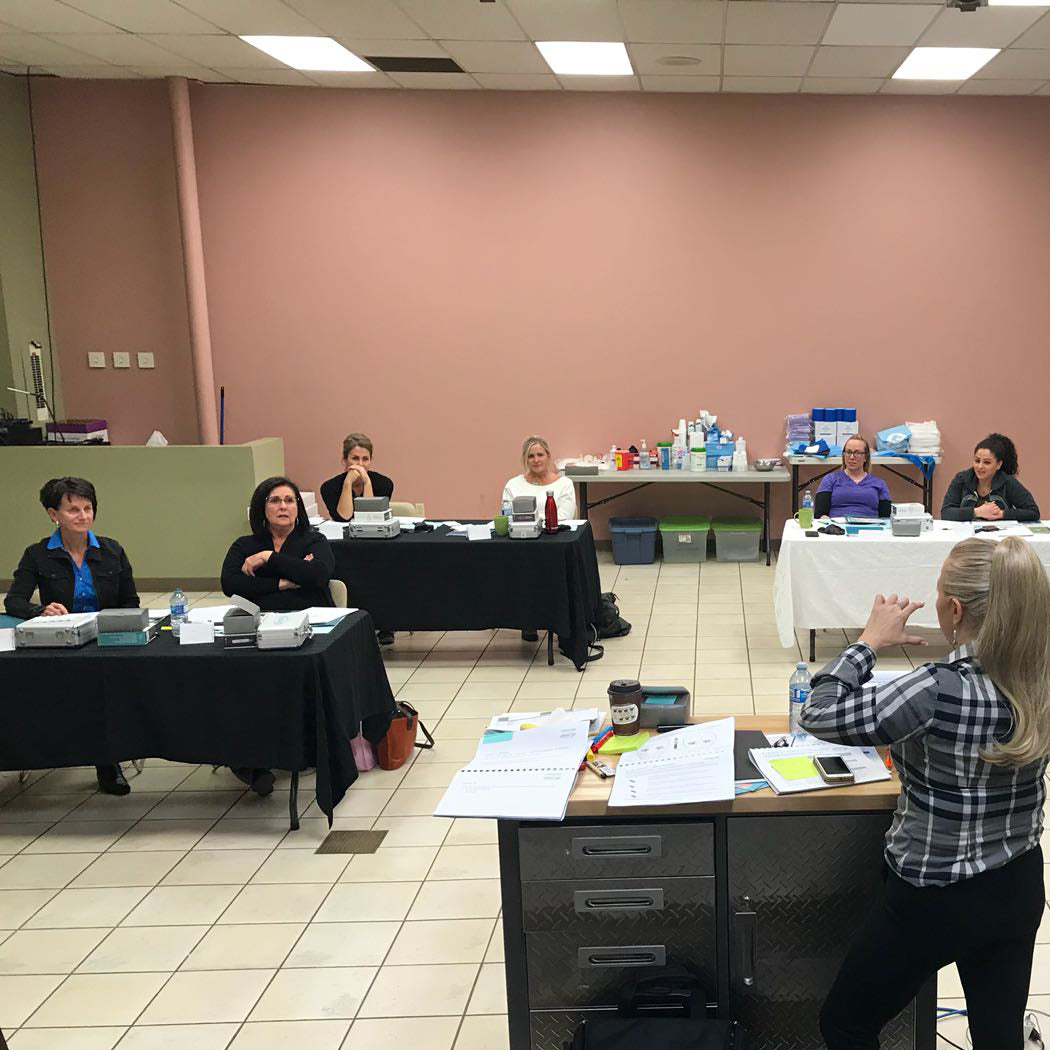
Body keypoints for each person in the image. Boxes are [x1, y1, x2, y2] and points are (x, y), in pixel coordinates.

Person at [800, 536, 1050, 1049]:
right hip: (1018, 882)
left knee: (845, 1024)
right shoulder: (1040, 679)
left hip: (934, 895)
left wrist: (867, 643)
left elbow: (818, 712)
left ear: (954, 609)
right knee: (998, 1036)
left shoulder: (934, 689)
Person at [5, 477, 138, 796]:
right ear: (53, 514)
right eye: (73, 510)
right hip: (61, 642)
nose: (83, 516)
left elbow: (130, 602)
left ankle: (108, 763)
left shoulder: (111, 550)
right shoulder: (38, 554)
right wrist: (40, 610)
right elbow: (14, 601)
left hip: (105, 641)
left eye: (88, 508)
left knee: (103, 692)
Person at [220, 476, 335, 795]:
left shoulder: (314, 541)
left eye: (289, 500)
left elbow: (318, 574)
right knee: (238, 683)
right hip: (258, 629)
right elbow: (231, 584)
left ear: (298, 507)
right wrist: (283, 581)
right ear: (262, 507)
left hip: (309, 628)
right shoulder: (244, 545)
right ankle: (250, 762)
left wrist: (268, 560)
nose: (283, 506)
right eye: (275, 500)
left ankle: (301, 746)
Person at [502, 436, 577, 641]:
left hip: (553, 541)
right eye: (531, 456)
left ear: (548, 456)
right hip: (522, 543)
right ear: (525, 459)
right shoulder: (513, 485)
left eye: (540, 455)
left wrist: (535, 522)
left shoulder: (564, 484)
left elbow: (565, 515)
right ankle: (529, 621)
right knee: (524, 574)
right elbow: (507, 514)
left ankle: (560, 621)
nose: (536, 460)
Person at [941, 433, 1039, 522]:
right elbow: (946, 512)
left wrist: (1001, 514)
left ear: (998, 464)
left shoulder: (1007, 481)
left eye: (987, 462)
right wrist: (976, 512)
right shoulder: (961, 479)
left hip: (1000, 534)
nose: (980, 466)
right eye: (977, 461)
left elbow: (1033, 512)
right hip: (966, 534)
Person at [319, 432, 394, 523]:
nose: (360, 464)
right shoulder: (329, 487)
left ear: (370, 461)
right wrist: (347, 483)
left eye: (365, 459)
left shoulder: (384, 484)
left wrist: (367, 482)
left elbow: (369, 518)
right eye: (355, 458)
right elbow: (344, 517)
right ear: (345, 460)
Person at [813, 434, 891, 519]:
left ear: (866, 457)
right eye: (848, 452)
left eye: (857, 453)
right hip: (837, 526)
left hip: (870, 526)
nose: (852, 457)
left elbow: (885, 518)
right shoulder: (830, 480)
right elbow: (820, 514)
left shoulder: (879, 484)